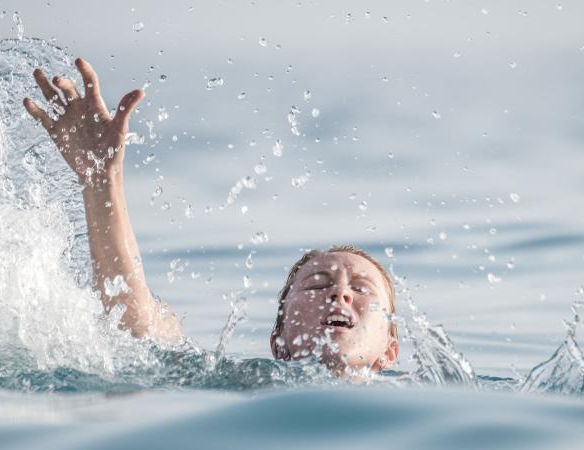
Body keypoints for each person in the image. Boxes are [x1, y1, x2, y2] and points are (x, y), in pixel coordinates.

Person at [22, 58, 399, 376]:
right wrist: (102, 181)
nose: (340, 293)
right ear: (280, 343)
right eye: (316, 285)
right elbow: (141, 331)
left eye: (362, 289)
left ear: (389, 350)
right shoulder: (245, 385)